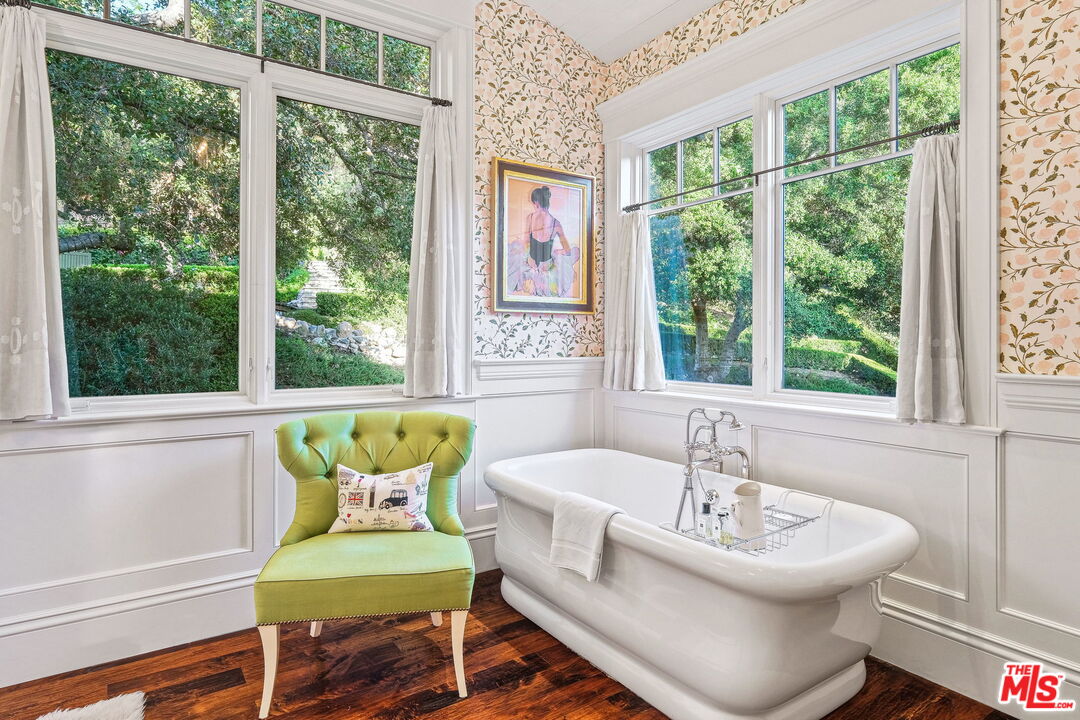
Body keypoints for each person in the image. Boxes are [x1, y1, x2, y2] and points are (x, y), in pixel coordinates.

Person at [523, 186, 571, 272]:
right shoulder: (556, 224)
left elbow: (526, 242)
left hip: (531, 265)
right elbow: (567, 251)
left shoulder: (530, 218)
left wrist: (529, 259)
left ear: (536, 203)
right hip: (547, 267)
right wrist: (556, 252)